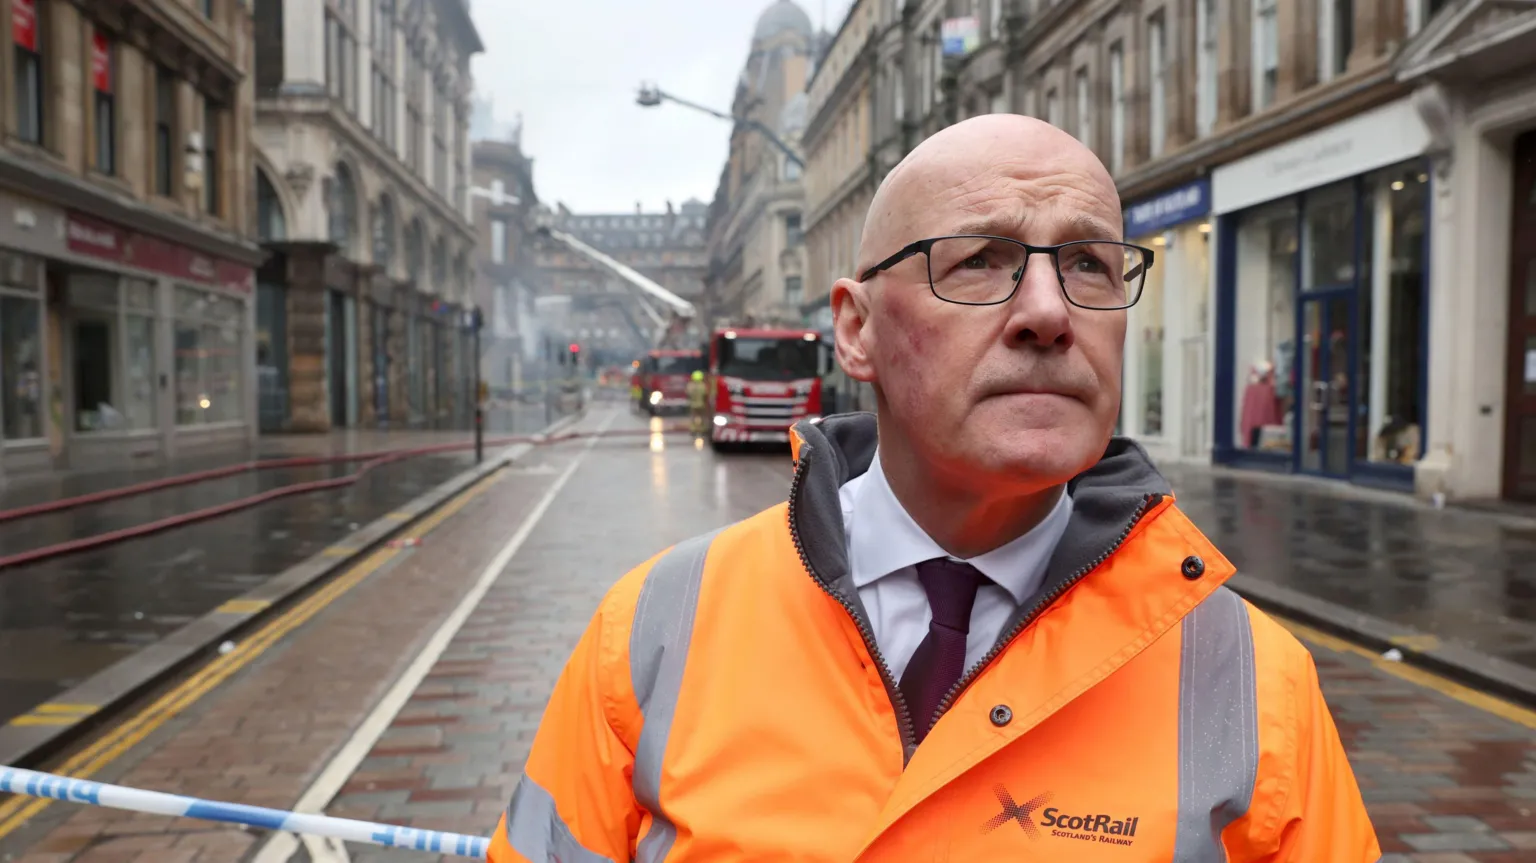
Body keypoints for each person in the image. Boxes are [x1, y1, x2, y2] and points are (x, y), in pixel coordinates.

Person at [488, 115, 1378, 862]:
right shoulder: (647, 633)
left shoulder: (1257, 681)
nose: (1047, 312)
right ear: (857, 329)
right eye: (981, 261)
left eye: (1091, 266)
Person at [685, 369, 709, 435]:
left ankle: (693, 429)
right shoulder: (703, 385)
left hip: (693, 404)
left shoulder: (690, 385)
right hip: (701, 404)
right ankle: (701, 430)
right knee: (702, 417)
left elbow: (688, 394)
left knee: (693, 417)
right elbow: (705, 395)